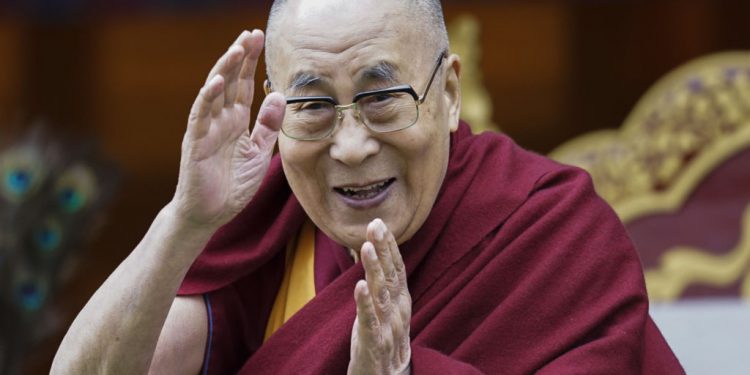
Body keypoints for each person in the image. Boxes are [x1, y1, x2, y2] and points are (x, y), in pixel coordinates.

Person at [51, 0, 684, 373]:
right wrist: (185, 220)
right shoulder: (270, 223)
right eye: (314, 106)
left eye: (383, 99)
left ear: (451, 94)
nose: (350, 147)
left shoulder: (555, 238)